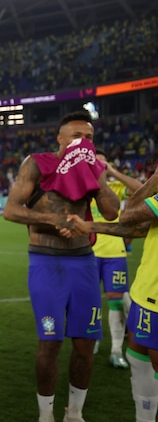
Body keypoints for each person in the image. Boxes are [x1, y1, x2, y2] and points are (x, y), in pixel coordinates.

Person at [2, 110, 121, 422]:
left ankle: (75, 414)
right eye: (76, 135)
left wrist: (98, 177)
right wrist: (53, 220)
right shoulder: (37, 164)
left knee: (86, 343)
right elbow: (11, 211)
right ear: (60, 138)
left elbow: (110, 212)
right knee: (50, 341)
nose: (83, 141)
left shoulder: (93, 167)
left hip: (83, 263)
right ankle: (46, 415)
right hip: (47, 264)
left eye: (89, 137)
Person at [90, 150, 142, 369]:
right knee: (89, 302)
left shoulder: (117, 189)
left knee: (117, 302)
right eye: (97, 164)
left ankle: (115, 351)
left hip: (114, 255)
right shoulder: (84, 189)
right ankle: (91, 340)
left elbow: (140, 190)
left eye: (104, 165)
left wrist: (113, 172)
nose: (100, 168)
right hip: (88, 254)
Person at [118, 166, 158, 422]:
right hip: (146, 292)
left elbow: (127, 214)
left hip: (155, 298)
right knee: (137, 356)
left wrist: (154, 180)